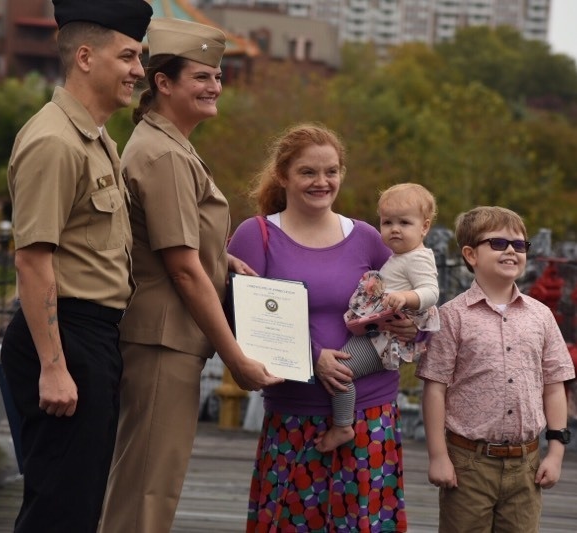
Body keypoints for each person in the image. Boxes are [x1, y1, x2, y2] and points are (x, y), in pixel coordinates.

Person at [98, 18, 283, 533]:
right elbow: (181, 269)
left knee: (146, 482)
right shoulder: (164, 155)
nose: (214, 86)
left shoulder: (169, 146)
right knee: (147, 490)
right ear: (163, 82)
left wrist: (220, 259)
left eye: (217, 77)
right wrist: (236, 358)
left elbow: (175, 243)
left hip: (166, 337)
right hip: (163, 339)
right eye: (201, 77)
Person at [0, 0, 152, 531]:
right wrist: (54, 366)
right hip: (67, 336)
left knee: (77, 506)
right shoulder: (55, 141)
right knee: (59, 510)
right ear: (85, 57)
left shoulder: (95, 136)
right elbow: (32, 258)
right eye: (128, 56)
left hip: (91, 337)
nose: (138, 70)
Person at [228, 123, 418, 532]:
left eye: (331, 171)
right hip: (296, 415)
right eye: (308, 172)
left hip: (370, 415)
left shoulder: (367, 237)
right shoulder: (256, 235)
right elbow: (243, 319)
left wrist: (410, 328)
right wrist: (313, 357)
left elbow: (414, 297)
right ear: (283, 176)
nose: (322, 182)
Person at [416, 206, 576, 533]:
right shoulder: (453, 316)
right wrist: (438, 456)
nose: (511, 251)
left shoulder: (541, 316)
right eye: (499, 243)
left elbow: (555, 385)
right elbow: (435, 388)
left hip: (526, 463)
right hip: (468, 462)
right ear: (471, 254)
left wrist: (556, 452)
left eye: (519, 245)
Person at [316, 182, 441, 453]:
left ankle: (342, 426)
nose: (394, 229)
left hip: (384, 338)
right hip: (377, 331)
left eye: (404, 222)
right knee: (340, 371)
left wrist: (406, 297)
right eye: (387, 222)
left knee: (340, 373)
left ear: (424, 227)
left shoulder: (417, 259)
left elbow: (431, 292)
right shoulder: (400, 256)